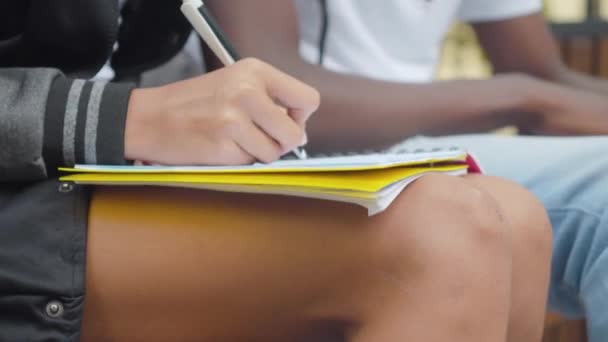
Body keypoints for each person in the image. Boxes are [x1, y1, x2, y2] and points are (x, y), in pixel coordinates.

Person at [0, 1, 552, 341]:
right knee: (442, 236)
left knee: (517, 219)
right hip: (28, 195)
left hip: (87, 172)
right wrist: (126, 118)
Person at [205, 0, 608, 340]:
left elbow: (543, 72)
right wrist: (524, 98)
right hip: (310, 149)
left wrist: (532, 95)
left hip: (425, 142)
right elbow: (268, 93)